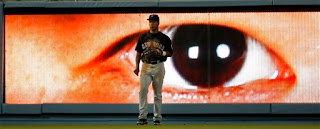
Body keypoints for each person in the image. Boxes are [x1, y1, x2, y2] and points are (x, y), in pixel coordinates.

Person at [133, 14, 173, 125]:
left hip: (159, 66)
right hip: (145, 66)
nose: (152, 23)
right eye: (150, 21)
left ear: (158, 23)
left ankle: (157, 118)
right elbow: (138, 54)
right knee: (142, 91)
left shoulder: (164, 38)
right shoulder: (142, 37)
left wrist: (162, 53)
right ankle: (142, 117)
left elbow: (170, 53)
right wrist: (136, 67)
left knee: (157, 94)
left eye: (154, 21)